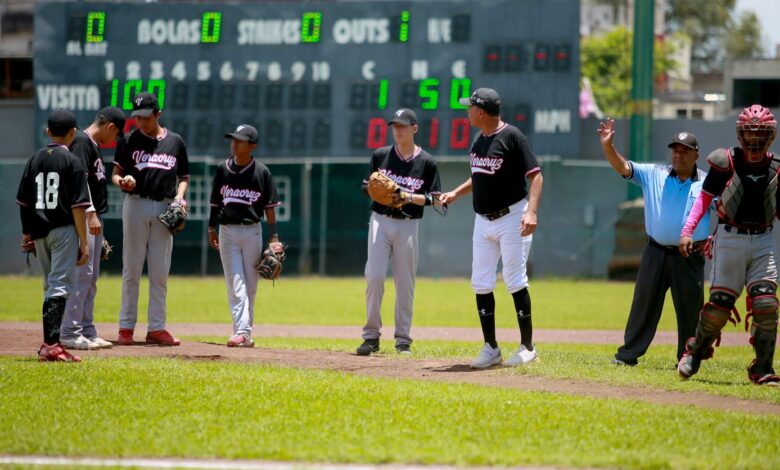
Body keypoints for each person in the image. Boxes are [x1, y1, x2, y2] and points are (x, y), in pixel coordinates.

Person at [440, 88, 543, 368]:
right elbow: (479, 176)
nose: (467, 111)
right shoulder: (479, 139)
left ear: (481, 111)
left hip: (512, 217)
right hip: (482, 220)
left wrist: (531, 212)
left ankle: (527, 347)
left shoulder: (513, 137)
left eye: (469, 107)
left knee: (514, 279)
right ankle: (491, 347)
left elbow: (536, 176)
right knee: (481, 281)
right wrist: (455, 194)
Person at [678, 104, 780, 386]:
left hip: (763, 239)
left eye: (761, 134)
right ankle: (696, 352)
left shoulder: (777, 168)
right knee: (720, 305)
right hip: (729, 237)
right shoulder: (726, 162)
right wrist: (687, 231)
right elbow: (704, 200)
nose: (754, 140)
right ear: (740, 134)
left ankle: (763, 367)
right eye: (749, 133)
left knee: (766, 303)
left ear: (770, 136)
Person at [598, 118, 712, 366]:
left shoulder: (707, 183)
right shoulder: (655, 174)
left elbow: (725, 213)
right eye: (675, 150)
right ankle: (628, 355)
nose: (678, 155)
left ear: (696, 155)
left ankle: (688, 358)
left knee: (690, 311)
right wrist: (608, 147)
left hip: (689, 255)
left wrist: (713, 238)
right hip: (655, 251)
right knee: (644, 305)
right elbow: (624, 167)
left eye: (685, 151)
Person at [356, 108, 442, 356]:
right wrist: (376, 191)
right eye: (395, 125)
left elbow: (435, 200)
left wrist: (406, 196)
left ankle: (403, 339)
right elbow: (366, 186)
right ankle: (371, 337)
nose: (397, 129)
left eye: (403, 125)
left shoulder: (427, 162)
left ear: (414, 129)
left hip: (408, 224)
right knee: (374, 276)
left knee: (405, 283)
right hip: (380, 220)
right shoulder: (381, 155)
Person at [111, 92, 189, 346]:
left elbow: (184, 177)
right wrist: (121, 181)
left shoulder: (175, 142)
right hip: (136, 204)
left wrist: (179, 198)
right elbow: (115, 173)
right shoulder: (129, 140)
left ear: (158, 114)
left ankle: (156, 327)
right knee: (131, 269)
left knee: (159, 273)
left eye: (146, 117)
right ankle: (126, 328)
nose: (141, 122)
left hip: (165, 208)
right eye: (138, 117)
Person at [16, 109, 91, 362]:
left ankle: (52, 342)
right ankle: (51, 345)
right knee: (59, 286)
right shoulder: (73, 162)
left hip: (39, 230)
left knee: (50, 285)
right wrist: (84, 240)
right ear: (73, 132)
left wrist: (27, 234)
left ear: (48, 131)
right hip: (63, 230)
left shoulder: (34, 159)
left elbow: (24, 202)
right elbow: (78, 206)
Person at [208, 124, 282, 348]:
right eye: (233, 139)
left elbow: (269, 208)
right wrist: (211, 228)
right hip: (227, 230)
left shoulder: (261, 172)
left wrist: (274, 237)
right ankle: (241, 331)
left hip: (252, 231)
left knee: (250, 285)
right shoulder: (223, 170)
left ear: (252, 146)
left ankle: (244, 333)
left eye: (240, 140)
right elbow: (215, 203)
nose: (234, 143)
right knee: (236, 282)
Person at [59, 107, 126, 350]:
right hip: (85, 216)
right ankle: (70, 331)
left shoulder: (92, 145)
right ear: (110, 127)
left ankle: (86, 329)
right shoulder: (81, 143)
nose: (115, 140)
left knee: (91, 277)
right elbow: (79, 182)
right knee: (82, 275)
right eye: (116, 134)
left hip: (92, 218)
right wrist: (90, 214)